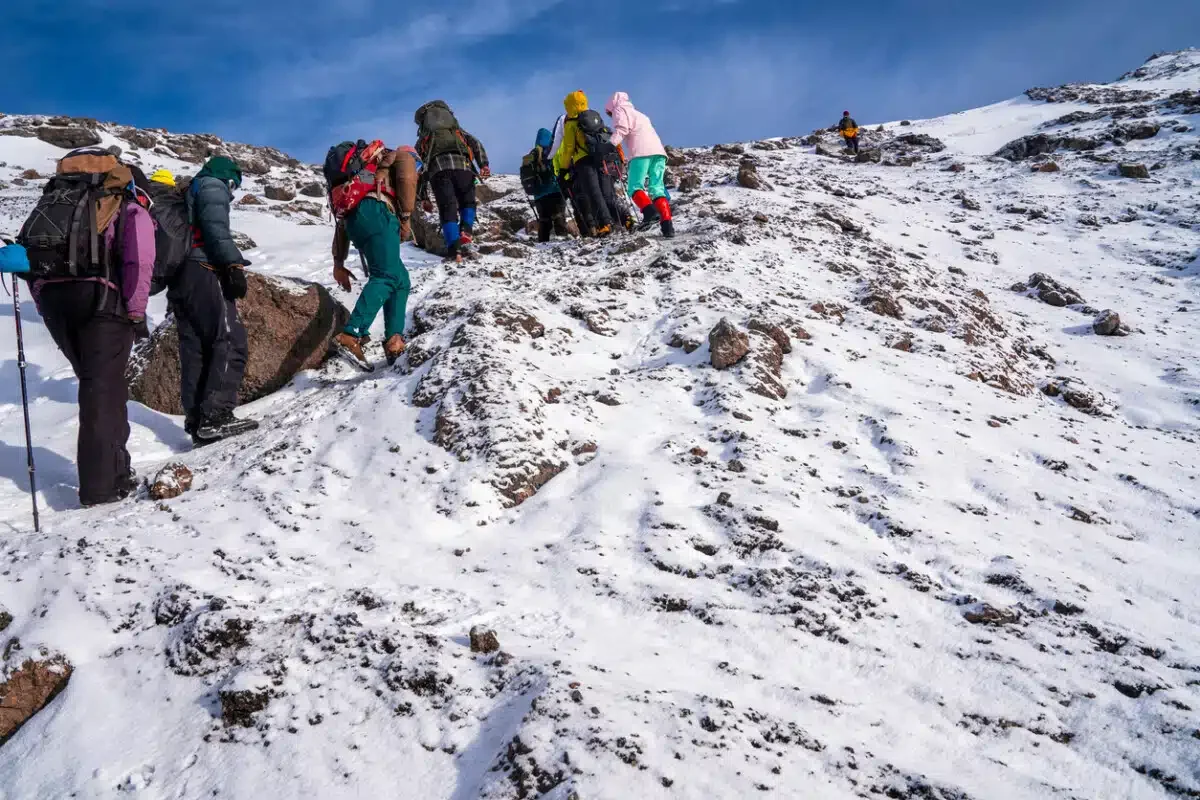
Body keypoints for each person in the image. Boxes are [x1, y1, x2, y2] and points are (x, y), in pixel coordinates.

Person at [18, 146, 155, 506]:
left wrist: (44, 302)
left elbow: (30, 259)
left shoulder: (55, 204)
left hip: (54, 302)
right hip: (101, 303)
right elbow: (137, 264)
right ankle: (103, 487)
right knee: (103, 392)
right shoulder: (127, 207)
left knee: (97, 387)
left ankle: (112, 468)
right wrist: (136, 314)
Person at [173, 155, 257, 446]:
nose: (232, 191)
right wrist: (233, 266)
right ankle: (216, 415)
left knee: (195, 348)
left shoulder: (190, 189)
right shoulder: (212, 183)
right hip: (205, 269)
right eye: (234, 184)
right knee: (230, 341)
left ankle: (197, 420)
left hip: (181, 275)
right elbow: (214, 227)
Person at [328, 141, 419, 369]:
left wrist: (338, 262)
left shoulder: (357, 182)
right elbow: (407, 179)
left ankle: (394, 341)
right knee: (386, 276)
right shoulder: (400, 156)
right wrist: (406, 218)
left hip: (356, 223)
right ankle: (351, 335)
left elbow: (342, 222)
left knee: (400, 280)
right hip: (378, 213)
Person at [413, 101, 490, 261]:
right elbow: (476, 144)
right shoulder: (457, 132)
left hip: (438, 172)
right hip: (463, 166)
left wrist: (423, 197)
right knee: (467, 202)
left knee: (447, 208)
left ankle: (454, 251)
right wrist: (483, 165)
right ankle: (466, 230)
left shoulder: (423, 140)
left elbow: (419, 169)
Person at [554, 90, 629, 238]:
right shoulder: (595, 117)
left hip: (584, 162)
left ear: (569, 106)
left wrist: (563, 170)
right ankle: (626, 218)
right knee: (608, 194)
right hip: (602, 158)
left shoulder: (572, 123)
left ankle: (605, 224)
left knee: (594, 193)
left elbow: (569, 148)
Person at [606, 91, 674, 239]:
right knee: (657, 188)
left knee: (634, 186)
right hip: (659, 153)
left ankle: (650, 213)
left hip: (640, 153)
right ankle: (667, 225)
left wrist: (609, 145)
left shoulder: (620, 109)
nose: (611, 116)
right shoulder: (641, 114)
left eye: (609, 113)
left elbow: (622, 129)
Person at [521, 128, 570, 243]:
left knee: (543, 220)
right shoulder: (552, 152)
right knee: (559, 217)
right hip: (555, 191)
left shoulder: (531, 155)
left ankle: (543, 243)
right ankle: (562, 241)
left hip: (539, 196)